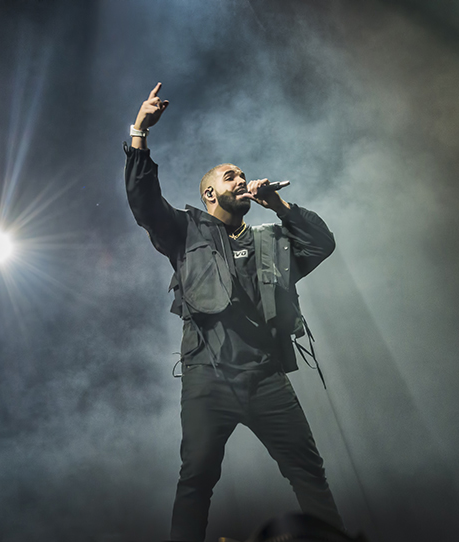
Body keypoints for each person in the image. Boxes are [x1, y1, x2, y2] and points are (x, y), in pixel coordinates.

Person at [124, 82, 344, 542]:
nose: (240, 178)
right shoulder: (184, 233)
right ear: (209, 194)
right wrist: (140, 132)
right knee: (197, 479)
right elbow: (144, 203)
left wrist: (279, 205)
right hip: (209, 376)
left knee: (308, 471)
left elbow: (321, 244)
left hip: (266, 378)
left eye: (242, 173)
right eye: (229, 176)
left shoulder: (270, 240)